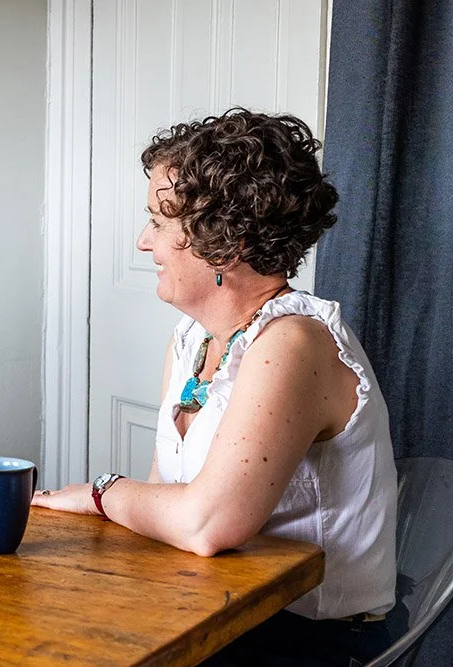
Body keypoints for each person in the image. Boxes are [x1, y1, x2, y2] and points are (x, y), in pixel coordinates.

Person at [32, 108, 399, 665]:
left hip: (309, 636)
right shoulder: (191, 340)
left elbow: (205, 524)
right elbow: (164, 507)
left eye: (158, 222)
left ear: (222, 245)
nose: (141, 241)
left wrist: (98, 493)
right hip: (214, 602)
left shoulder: (294, 344)